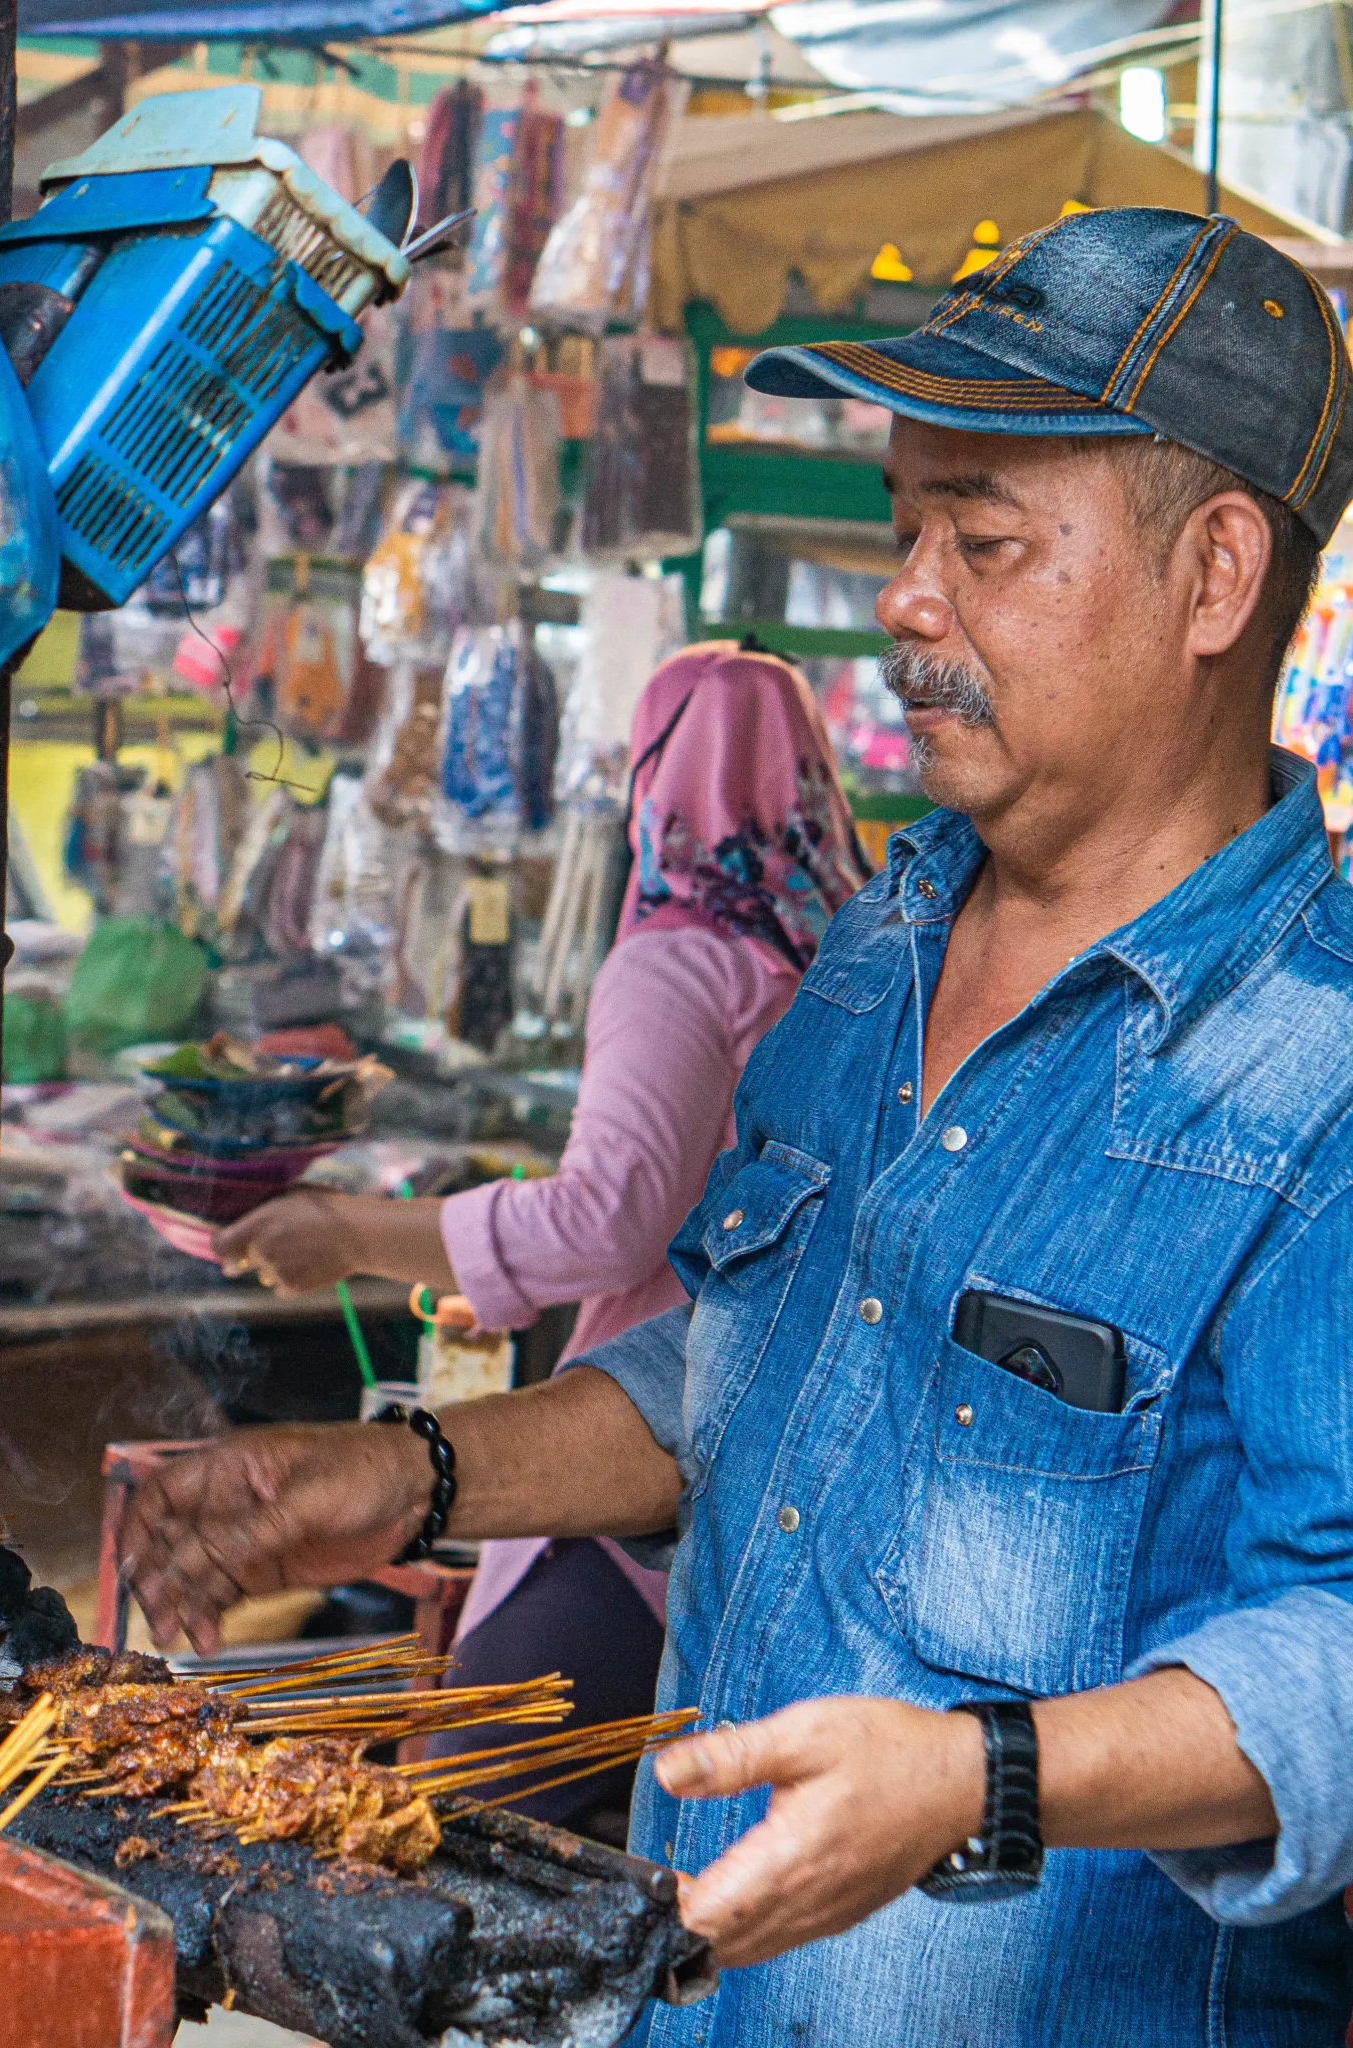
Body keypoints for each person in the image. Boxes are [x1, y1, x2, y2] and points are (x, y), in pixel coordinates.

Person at [121, 206, 1353, 2046]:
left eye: (987, 543)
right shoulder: (876, 944)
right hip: (693, 1998)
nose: (909, 599)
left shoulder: (1316, 1074)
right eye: (907, 529)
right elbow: (750, 1359)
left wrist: (980, 1776)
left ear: (1215, 575)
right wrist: (423, 1476)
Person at [210, 642, 866, 1822]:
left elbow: (608, 1219)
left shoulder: (680, 958)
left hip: (644, 1460)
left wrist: (348, 1230)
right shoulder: (856, 959)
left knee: (455, 1817)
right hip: (813, 1463)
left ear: (658, 777)